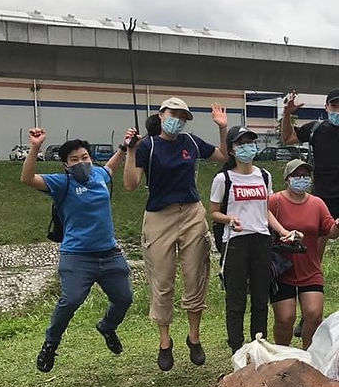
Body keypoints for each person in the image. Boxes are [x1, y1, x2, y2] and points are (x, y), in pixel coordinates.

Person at [124, 97, 229, 371]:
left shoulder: (190, 142)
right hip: (159, 216)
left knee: (196, 274)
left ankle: (194, 337)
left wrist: (222, 128)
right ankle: (164, 341)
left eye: (183, 116)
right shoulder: (147, 145)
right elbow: (130, 185)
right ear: (161, 115)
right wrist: (131, 151)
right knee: (162, 279)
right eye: (174, 114)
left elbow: (223, 156)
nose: (178, 120)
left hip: (192, 212)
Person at [21, 127, 135, 373]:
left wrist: (124, 147)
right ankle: (51, 344)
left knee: (124, 298)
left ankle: (107, 327)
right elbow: (28, 179)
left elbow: (111, 167)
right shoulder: (62, 183)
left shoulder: (99, 176)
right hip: (77, 256)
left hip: (109, 253)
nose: (81, 162)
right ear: (65, 164)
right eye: (74, 159)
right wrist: (35, 147)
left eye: (85, 157)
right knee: (70, 300)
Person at [281, 88, 339, 315]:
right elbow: (288, 138)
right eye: (334, 106)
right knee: (313, 258)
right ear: (326, 108)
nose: (338, 111)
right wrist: (286, 114)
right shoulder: (316, 129)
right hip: (318, 201)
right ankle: (309, 312)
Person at [209, 126, 293, 354]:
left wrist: (283, 231)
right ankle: (236, 347)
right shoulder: (223, 178)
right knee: (236, 299)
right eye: (241, 143)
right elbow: (214, 212)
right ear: (232, 150)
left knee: (260, 298)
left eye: (250, 142)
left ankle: (259, 345)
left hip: (261, 240)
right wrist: (229, 219)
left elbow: (265, 211)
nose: (247, 147)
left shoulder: (263, 175)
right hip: (235, 241)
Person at [268, 159, 339, 348]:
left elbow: (329, 230)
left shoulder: (317, 203)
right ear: (287, 179)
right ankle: (283, 354)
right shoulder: (274, 201)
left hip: (310, 268)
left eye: (305, 175)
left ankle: (308, 354)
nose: (302, 179)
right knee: (285, 318)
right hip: (282, 269)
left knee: (314, 314)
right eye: (297, 175)